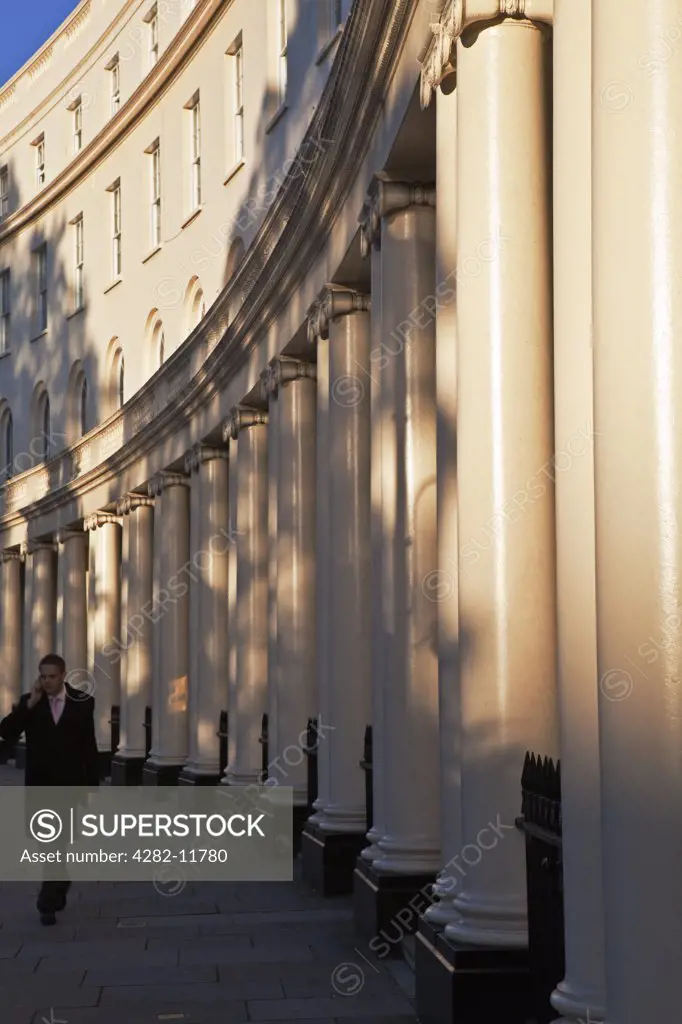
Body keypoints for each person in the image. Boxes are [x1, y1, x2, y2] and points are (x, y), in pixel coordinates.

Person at [0, 654, 100, 925]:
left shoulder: (83, 702)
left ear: (62, 676)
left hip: (69, 786)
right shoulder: (30, 703)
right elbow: (6, 732)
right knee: (49, 843)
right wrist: (28, 705)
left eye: (51, 676)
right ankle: (50, 896)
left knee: (59, 842)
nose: (46, 681)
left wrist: (93, 786)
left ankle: (53, 891)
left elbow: (87, 746)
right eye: (42, 676)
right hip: (40, 785)